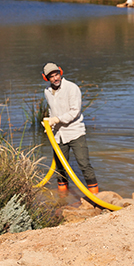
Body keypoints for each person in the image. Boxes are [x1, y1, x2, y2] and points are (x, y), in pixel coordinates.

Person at [42, 63, 98, 194]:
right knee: (60, 167)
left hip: (75, 132)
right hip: (58, 135)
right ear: (46, 78)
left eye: (56, 74)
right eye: (51, 76)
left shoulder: (72, 88)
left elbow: (75, 112)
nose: (55, 78)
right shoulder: (47, 92)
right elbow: (52, 111)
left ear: (60, 73)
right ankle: (63, 198)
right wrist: (50, 124)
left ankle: (96, 196)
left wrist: (57, 119)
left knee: (84, 164)